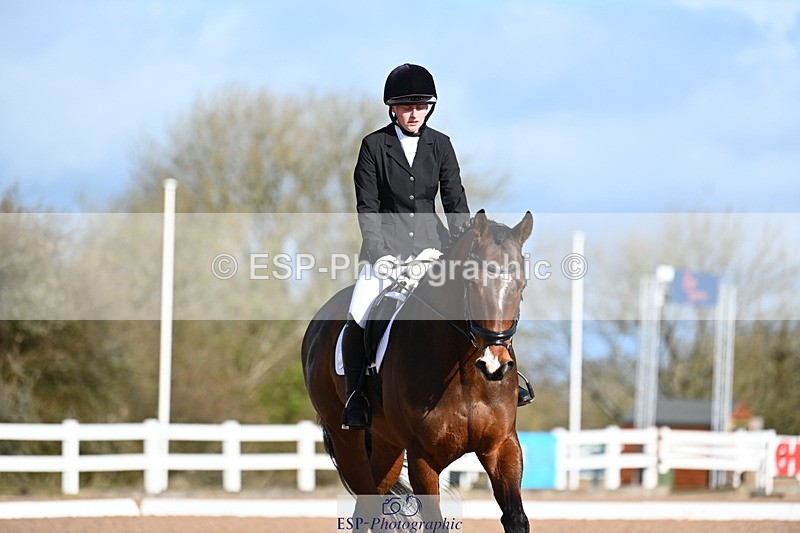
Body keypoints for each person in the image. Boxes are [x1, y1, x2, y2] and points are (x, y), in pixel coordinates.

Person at [341, 63, 533, 430]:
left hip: (435, 249)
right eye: (406, 107)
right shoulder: (374, 146)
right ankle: (356, 397)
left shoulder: (440, 144)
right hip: (386, 253)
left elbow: (455, 201)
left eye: (421, 106)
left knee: (483, 300)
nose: (414, 114)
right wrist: (380, 255)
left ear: (430, 108)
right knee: (360, 313)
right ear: (392, 109)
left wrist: (466, 244)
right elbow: (368, 207)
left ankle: (507, 379)